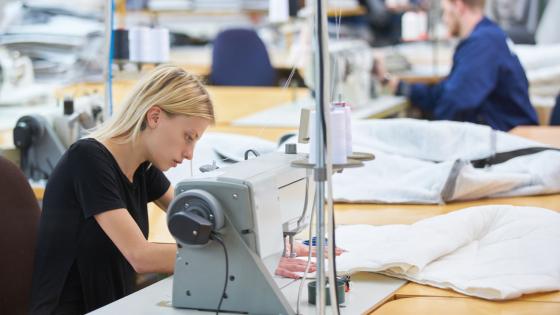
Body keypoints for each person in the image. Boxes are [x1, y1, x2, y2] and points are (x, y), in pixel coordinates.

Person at [29, 65, 321, 314]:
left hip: (114, 304)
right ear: (154, 117)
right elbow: (140, 256)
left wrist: (274, 245)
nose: (190, 153)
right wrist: (248, 261)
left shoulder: (142, 167)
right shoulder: (88, 159)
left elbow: (208, 220)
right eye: (188, 137)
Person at [374, 0, 538, 131]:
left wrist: (429, 135)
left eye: (445, 11)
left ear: (458, 6)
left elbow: (454, 103)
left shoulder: (483, 43)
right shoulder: (486, 37)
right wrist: (394, 83)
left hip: (508, 144)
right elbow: (444, 92)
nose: (444, 19)